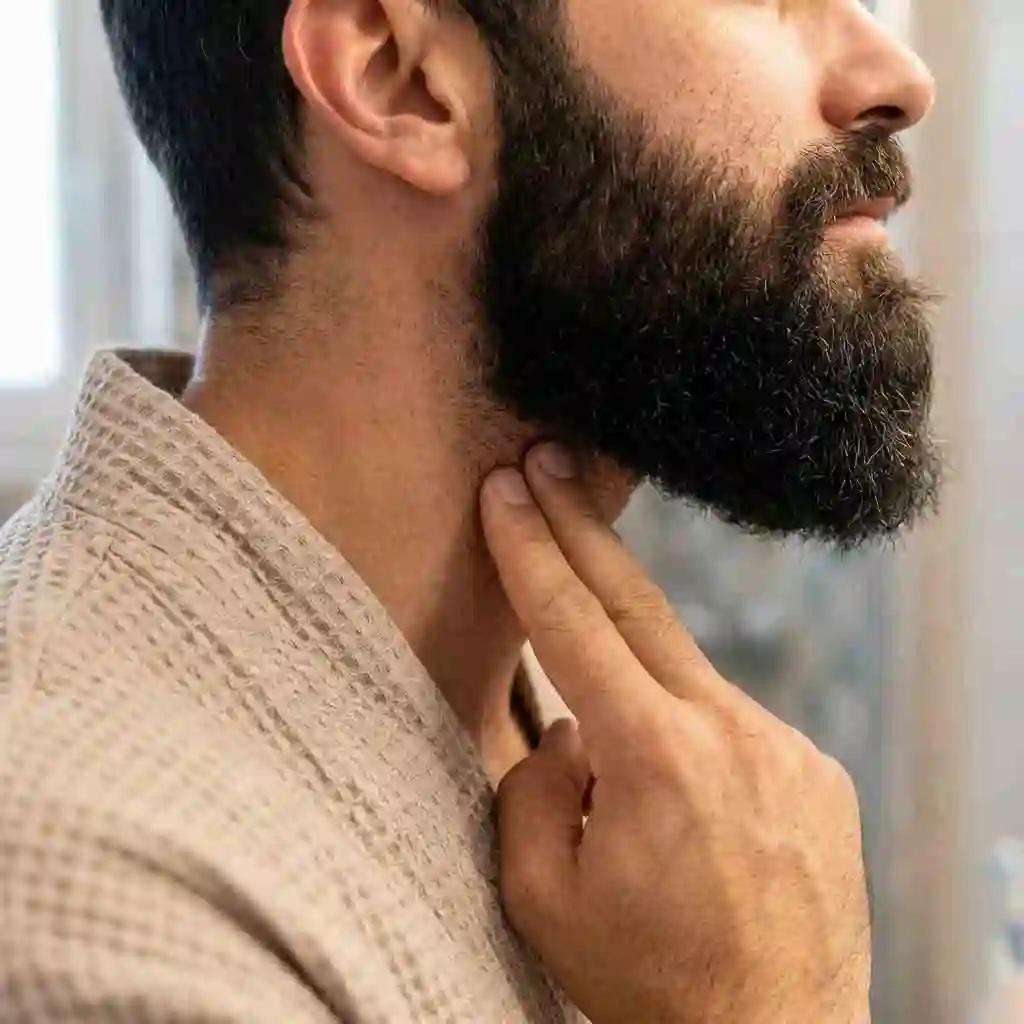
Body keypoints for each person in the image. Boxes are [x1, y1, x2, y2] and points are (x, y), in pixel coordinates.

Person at [0, 0, 937, 1020]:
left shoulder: (526, 712)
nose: (896, 76)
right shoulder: (89, 898)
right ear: (398, 75)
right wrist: (772, 1002)